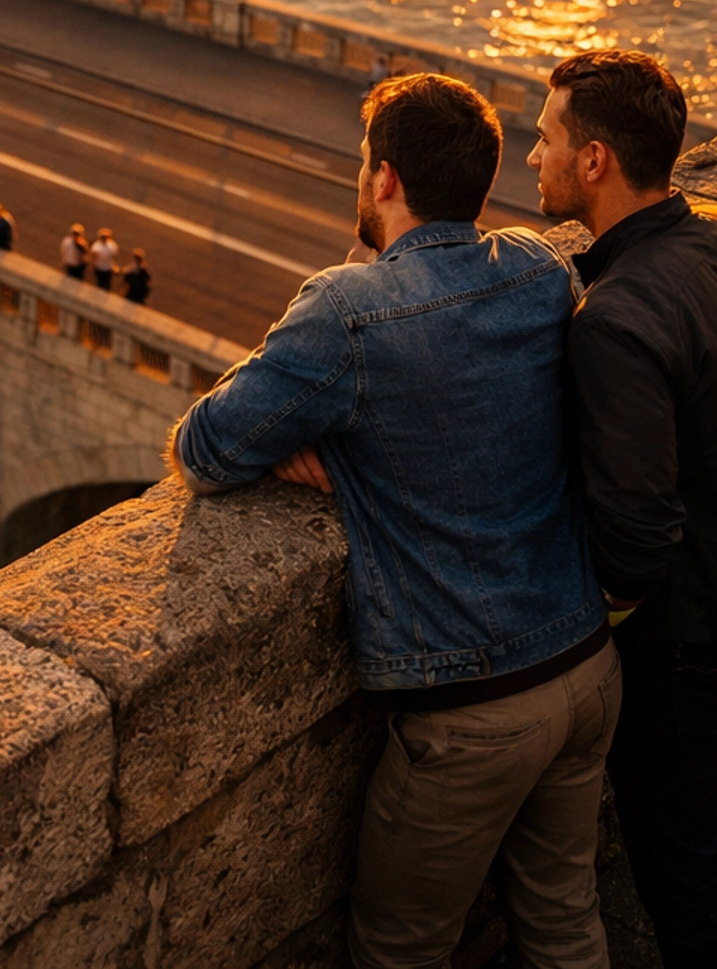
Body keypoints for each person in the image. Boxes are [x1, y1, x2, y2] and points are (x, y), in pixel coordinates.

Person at [174, 73, 616, 969]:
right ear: (481, 186)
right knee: (565, 921)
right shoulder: (539, 268)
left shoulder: (345, 310)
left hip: (471, 709)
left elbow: (208, 447)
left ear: (382, 180)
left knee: (400, 950)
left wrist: (337, 448)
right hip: (586, 667)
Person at [531, 49, 717, 969]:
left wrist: (602, 620)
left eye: (545, 139)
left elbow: (637, 529)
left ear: (597, 159)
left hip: (689, 636)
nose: (533, 158)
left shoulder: (613, 318)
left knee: (684, 865)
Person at [90, 227, 120, 291]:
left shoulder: (111, 245)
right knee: (101, 283)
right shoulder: (97, 246)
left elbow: (113, 255)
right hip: (100, 267)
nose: (104, 238)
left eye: (105, 237)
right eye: (103, 237)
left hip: (106, 268)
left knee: (105, 284)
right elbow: (93, 256)